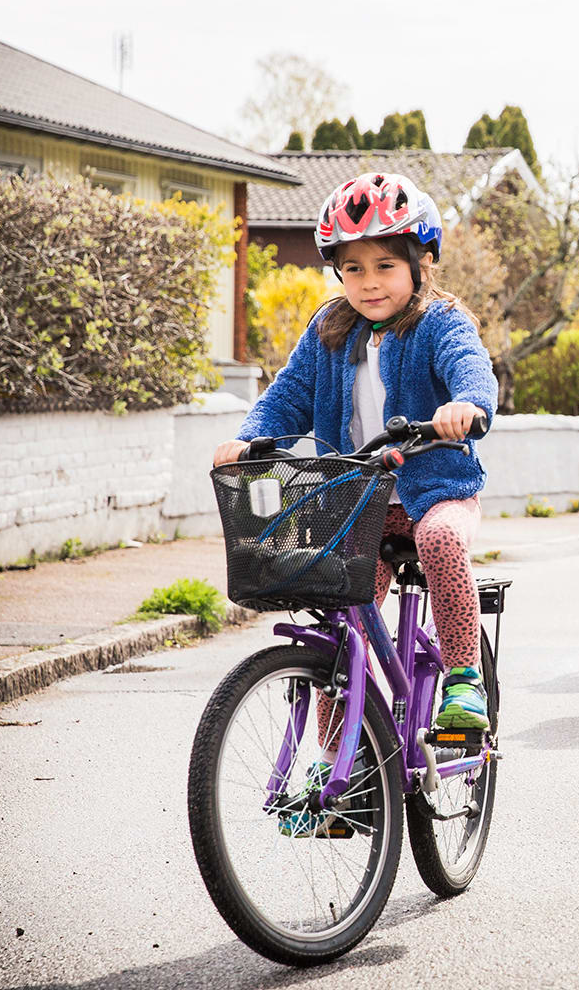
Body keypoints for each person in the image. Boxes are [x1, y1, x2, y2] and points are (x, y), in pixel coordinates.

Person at [213, 172, 498, 735]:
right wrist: (249, 439)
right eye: (353, 269)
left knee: (441, 540)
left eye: (385, 266)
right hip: (358, 504)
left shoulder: (439, 323)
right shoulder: (329, 330)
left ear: (421, 263)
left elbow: (472, 367)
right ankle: (337, 770)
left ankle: (464, 678)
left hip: (435, 493)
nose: (369, 283)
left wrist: (466, 404)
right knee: (342, 632)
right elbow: (287, 397)